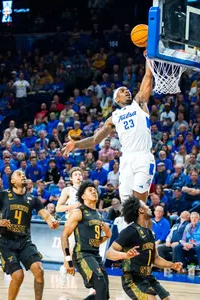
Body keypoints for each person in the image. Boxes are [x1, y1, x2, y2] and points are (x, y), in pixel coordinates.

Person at [62, 59, 155, 202]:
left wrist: (149, 60)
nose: (127, 92)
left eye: (128, 90)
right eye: (123, 91)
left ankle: (143, 224)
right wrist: (76, 144)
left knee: (140, 204)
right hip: (126, 159)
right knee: (126, 204)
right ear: (117, 98)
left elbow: (148, 78)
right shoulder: (114, 118)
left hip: (143, 156)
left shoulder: (139, 103)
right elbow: (95, 140)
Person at [0, 169, 59, 300]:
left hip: (24, 241)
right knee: (18, 276)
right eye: (19, 175)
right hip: (6, 242)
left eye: (24, 174)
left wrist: (51, 221)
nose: (23, 175)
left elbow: (45, 214)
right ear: (12, 181)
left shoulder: (33, 199)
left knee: (39, 270)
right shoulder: (2, 195)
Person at [106, 196, 182, 300]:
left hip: (148, 277)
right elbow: (109, 253)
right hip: (133, 278)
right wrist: (125, 255)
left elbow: (155, 259)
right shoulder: (130, 231)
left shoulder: (150, 233)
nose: (149, 207)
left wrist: (172, 265)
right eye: (146, 205)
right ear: (141, 210)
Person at [61, 180, 112, 300]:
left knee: (104, 294)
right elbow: (64, 235)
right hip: (82, 254)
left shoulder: (98, 215)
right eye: (90, 190)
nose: (94, 192)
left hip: (95, 255)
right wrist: (68, 260)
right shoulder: (78, 212)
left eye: (95, 190)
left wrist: (108, 235)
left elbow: (96, 242)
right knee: (100, 282)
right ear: (83, 196)